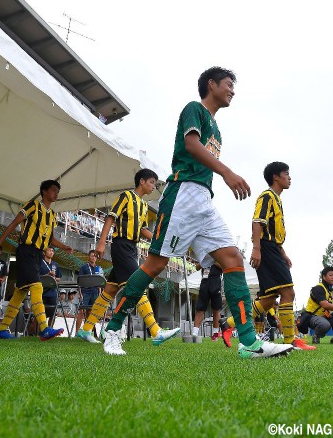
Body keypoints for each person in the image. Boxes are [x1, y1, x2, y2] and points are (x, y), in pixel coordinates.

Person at [101, 67, 293, 358]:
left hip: (204, 200)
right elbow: (191, 145)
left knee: (233, 259)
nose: (232, 91)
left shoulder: (216, 128)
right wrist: (227, 172)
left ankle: (249, 343)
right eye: (228, 85)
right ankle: (112, 329)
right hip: (183, 195)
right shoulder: (195, 109)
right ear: (211, 84)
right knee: (154, 265)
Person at [78, 169, 180, 345]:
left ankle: (86, 329)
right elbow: (110, 218)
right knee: (138, 285)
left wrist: (160, 240)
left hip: (132, 248)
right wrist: (101, 243)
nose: (153, 187)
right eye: (151, 183)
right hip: (120, 245)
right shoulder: (125, 196)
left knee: (109, 291)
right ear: (141, 181)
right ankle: (155, 331)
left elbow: (142, 230)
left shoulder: (143, 205)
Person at [0, 179, 72, 340]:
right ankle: (44, 328)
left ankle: (2, 329)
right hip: (26, 250)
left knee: (20, 292)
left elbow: (50, 239)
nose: (56, 193)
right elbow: (14, 223)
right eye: (54, 190)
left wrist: (63, 247)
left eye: (57, 191)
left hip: (37, 254)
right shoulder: (32, 205)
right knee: (36, 286)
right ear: (44, 191)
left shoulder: (52, 215)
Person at [249, 162, 315, 351]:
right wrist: (256, 248)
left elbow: (274, 231)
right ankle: (290, 341)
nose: (289, 177)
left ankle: (228, 324)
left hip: (273, 249)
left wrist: (283, 253)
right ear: (276, 177)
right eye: (286, 173)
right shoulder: (267, 196)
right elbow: (257, 221)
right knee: (288, 293)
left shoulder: (277, 199)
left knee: (268, 300)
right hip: (266, 248)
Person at [192, 263, 223, 340]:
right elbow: (197, 267)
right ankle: (194, 333)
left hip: (216, 281)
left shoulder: (218, 254)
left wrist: (212, 260)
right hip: (205, 281)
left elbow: (223, 267)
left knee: (216, 309)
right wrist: (204, 261)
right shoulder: (204, 255)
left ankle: (215, 335)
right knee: (200, 308)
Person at [40, 245, 62, 327]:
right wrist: (47, 275)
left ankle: (50, 330)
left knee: (53, 313)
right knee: (40, 312)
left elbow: (59, 278)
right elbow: (37, 276)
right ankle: (37, 332)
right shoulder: (40, 262)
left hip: (52, 291)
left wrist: (53, 278)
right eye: (49, 250)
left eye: (53, 251)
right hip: (42, 290)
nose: (51, 252)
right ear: (45, 252)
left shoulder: (55, 265)